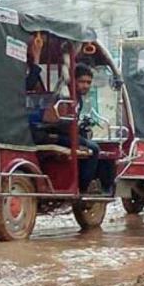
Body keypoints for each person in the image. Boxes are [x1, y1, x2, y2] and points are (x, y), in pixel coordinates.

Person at [54, 63, 114, 193]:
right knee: (95, 149)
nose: (85, 85)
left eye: (88, 82)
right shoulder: (66, 95)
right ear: (74, 81)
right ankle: (82, 187)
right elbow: (59, 121)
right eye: (82, 81)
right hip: (58, 136)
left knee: (92, 145)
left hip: (67, 135)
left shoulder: (78, 98)